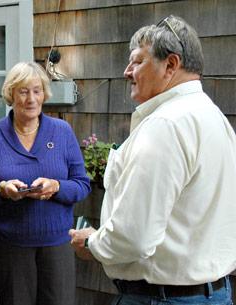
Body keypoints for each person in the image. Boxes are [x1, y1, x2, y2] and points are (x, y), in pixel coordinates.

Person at [69, 15, 236, 305]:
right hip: (212, 294)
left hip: (162, 298)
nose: (126, 71)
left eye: (137, 61)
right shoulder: (214, 118)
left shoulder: (166, 125)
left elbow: (134, 236)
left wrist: (91, 243)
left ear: (170, 64)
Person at [0, 61, 91, 305]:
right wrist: (1, 191)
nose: (31, 99)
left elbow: (82, 185)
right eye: (23, 91)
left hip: (56, 245)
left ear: (44, 94)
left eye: (37, 90)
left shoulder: (62, 132)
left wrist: (57, 187)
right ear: (11, 94)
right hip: (10, 246)